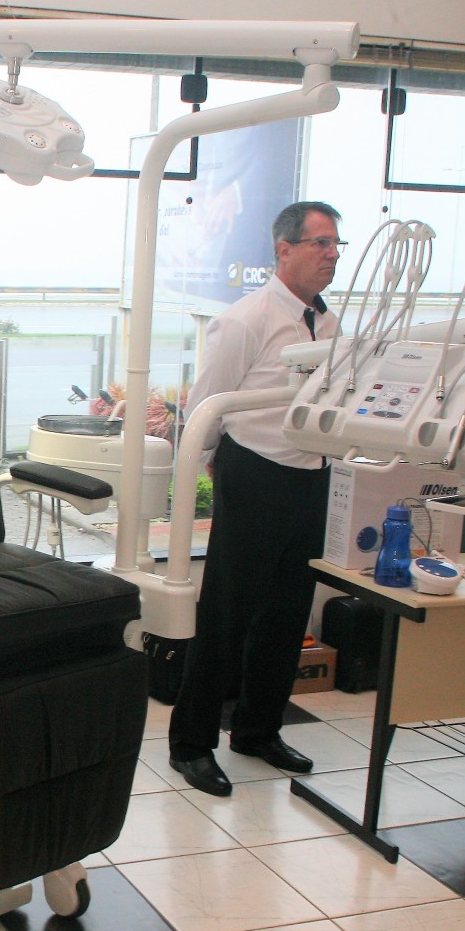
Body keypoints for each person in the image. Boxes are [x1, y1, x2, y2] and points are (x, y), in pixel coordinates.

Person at [168, 201, 345, 797]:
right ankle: (192, 744)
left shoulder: (328, 321)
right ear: (284, 249)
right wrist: (205, 469)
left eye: (336, 245)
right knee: (227, 613)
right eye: (321, 243)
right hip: (256, 472)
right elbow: (206, 406)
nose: (331, 255)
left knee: (288, 614)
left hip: (312, 472)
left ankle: (258, 730)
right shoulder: (246, 320)